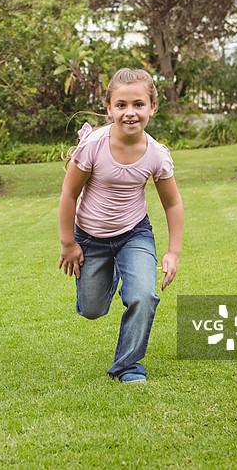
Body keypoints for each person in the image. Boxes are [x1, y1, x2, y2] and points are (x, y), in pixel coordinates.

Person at [58, 68, 184, 384]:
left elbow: (172, 203)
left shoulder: (157, 154)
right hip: (90, 237)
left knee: (143, 294)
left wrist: (173, 252)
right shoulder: (93, 146)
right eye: (122, 105)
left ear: (153, 107)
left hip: (134, 233)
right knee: (91, 309)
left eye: (138, 104)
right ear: (110, 108)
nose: (130, 113)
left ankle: (128, 367)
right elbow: (69, 193)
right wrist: (68, 243)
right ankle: (114, 269)